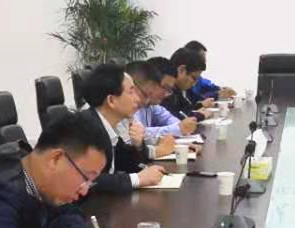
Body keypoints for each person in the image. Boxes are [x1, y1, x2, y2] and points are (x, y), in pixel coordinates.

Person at [80, 62, 167, 193]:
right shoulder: (86, 128)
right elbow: (87, 180)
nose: (137, 99)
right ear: (111, 101)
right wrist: (137, 179)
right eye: (131, 92)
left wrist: (139, 146)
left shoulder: (106, 127)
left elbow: (127, 161)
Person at [127, 59, 198, 142]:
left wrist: (182, 126)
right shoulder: (130, 104)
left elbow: (168, 118)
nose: (167, 94)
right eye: (166, 87)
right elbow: (138, 133)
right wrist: (178, 129)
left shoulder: (152, 105)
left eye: (170, 90)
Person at [162, 46, 214, 120]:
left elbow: (185, 108)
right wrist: (199, 116)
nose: (194, 83)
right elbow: (170, 118)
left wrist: (199, 106)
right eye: (194, 78)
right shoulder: (164, 89)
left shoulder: (177, 89)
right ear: (181, 70)